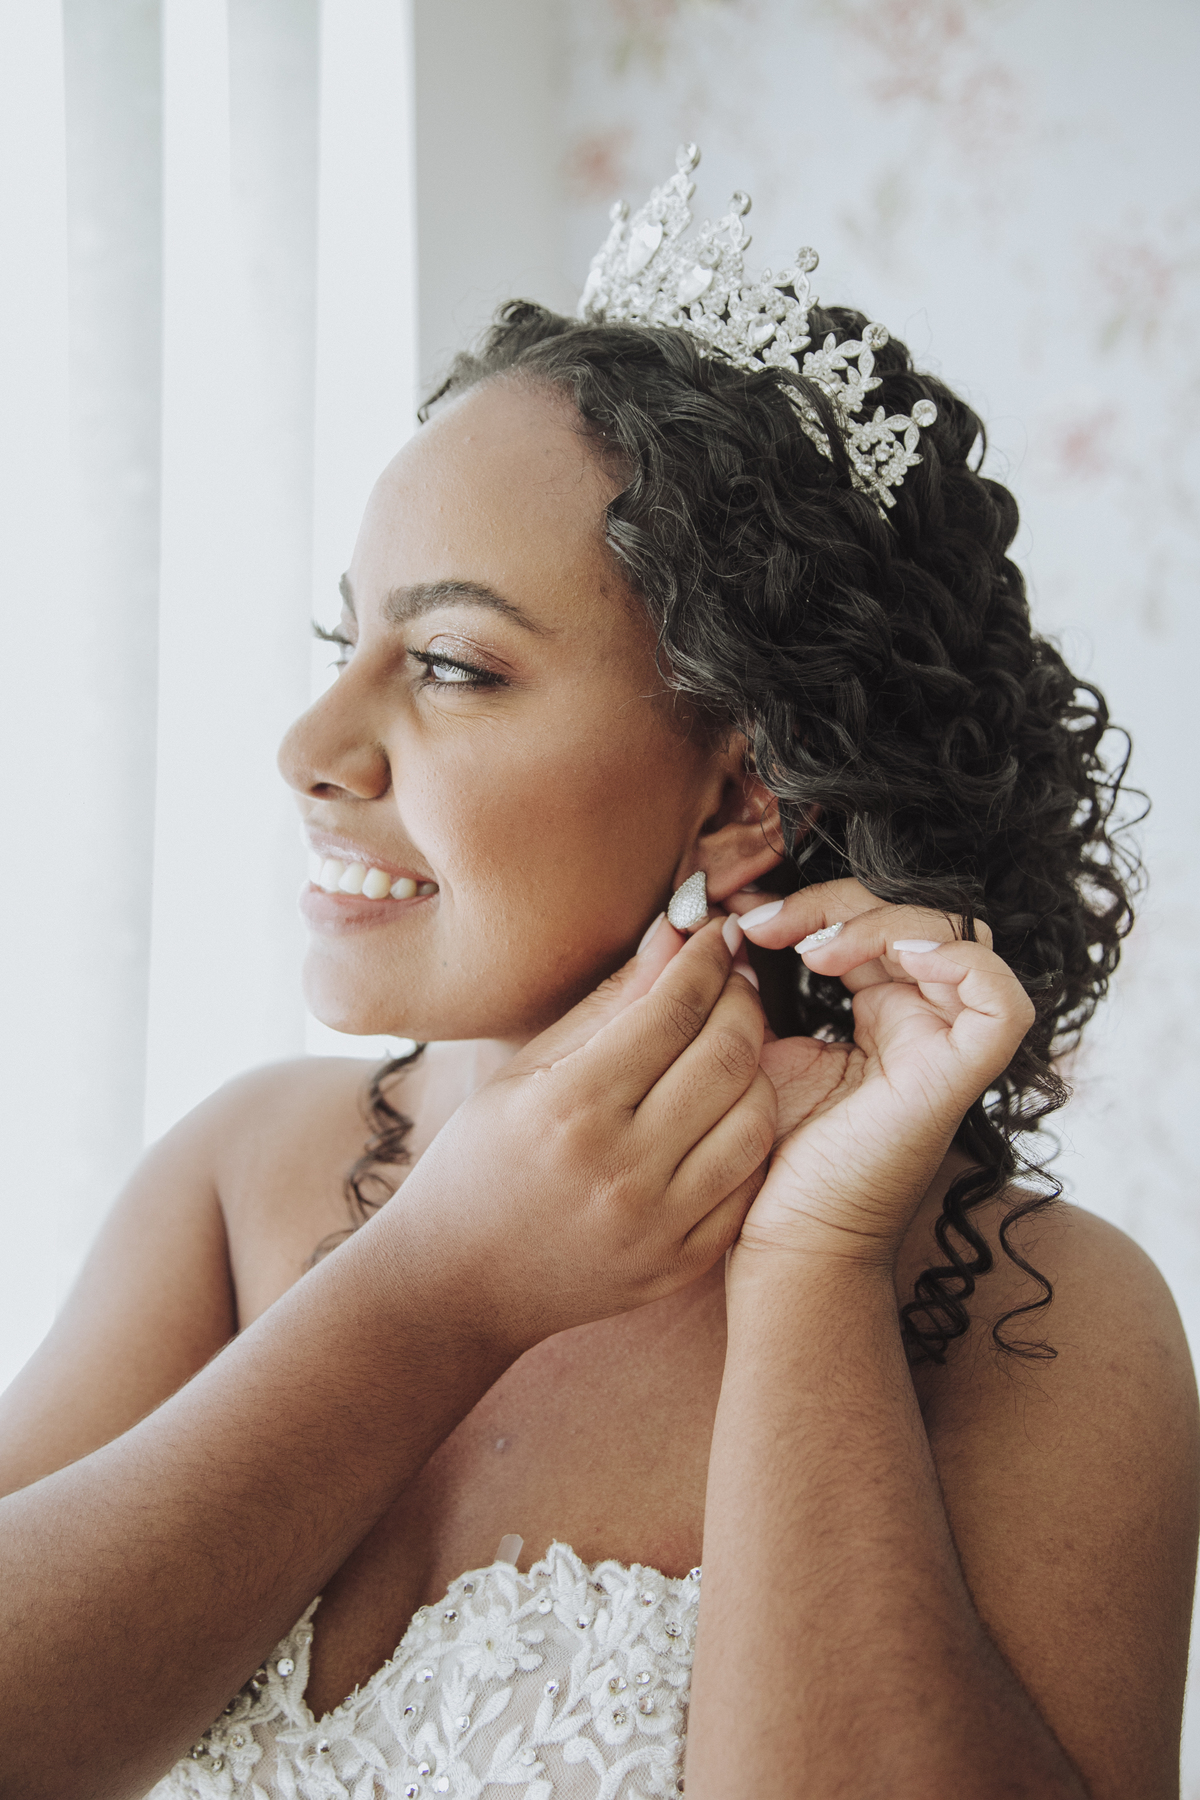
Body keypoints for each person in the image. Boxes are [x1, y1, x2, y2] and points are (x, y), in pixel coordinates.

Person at [0, 149, 1195, 1800]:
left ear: (741, 792)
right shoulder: (240, 1182)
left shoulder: (1032, 1319)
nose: (310, 745)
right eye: (344, 641)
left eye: (448, 664)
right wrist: (434, 1286)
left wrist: (814, 1268)